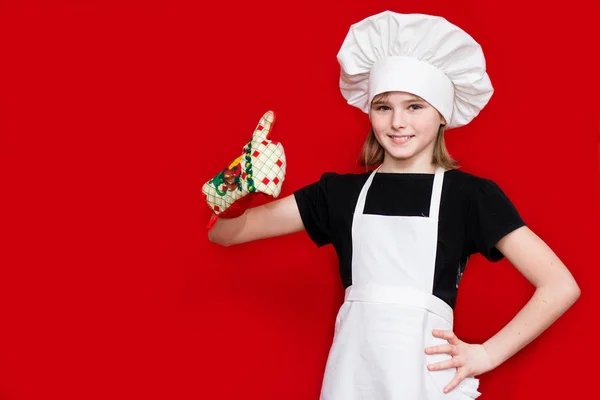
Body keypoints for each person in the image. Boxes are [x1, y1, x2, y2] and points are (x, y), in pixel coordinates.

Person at [208, 11, 580, 400]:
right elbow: (224, 234)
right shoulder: (338, 195)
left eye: (414, 107)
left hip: (425, 380)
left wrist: (486, 353)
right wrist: (235, 182)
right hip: (352, 380)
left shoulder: (469, 196)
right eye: (384, 107)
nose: (398, 122)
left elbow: (559, 285)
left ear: (442, 114)